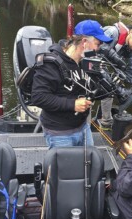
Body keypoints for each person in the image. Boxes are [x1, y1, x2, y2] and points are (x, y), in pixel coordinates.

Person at [31, 19, 112, 148]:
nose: (99, 48)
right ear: (84, 42)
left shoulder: (87, 61)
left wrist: (109, 88)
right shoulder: (51, 64)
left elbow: (92, 88)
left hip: (83, 127)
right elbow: (38, 97)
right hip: (60, 132)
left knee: (88, 165)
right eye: (98, 43)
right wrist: (72, 104)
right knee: (65, 168)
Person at [97, 21, 132, 130]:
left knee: (112, 86)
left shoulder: (130, 49)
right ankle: (100, 121)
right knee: (108, 85)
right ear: (131, 32)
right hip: (91, 63)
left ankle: (106, 121)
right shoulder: (113, 33)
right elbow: (97, 51)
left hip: (104, 65)